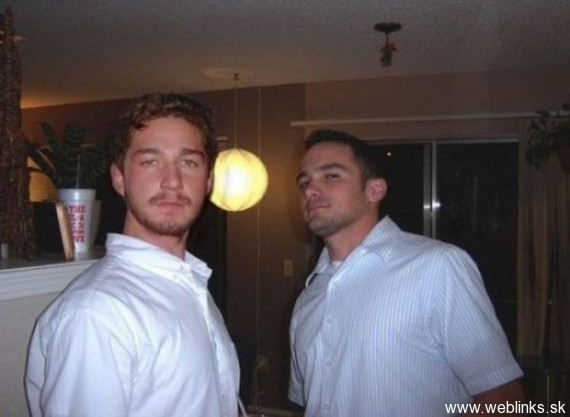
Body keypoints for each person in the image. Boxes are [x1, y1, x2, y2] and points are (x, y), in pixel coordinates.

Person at [26, 93, 240, 417]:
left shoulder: (191, 285)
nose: (172, 181)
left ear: (208, 180)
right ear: (119, 178)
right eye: (150, 161)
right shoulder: (97, 314)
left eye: (189, 162)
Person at [288, 129, 525, 416]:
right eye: (304, 182)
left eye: (331, 176)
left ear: (375, 190)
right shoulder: (308, 298)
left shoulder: (437, 267)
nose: (310, 190)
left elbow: (505, 400)